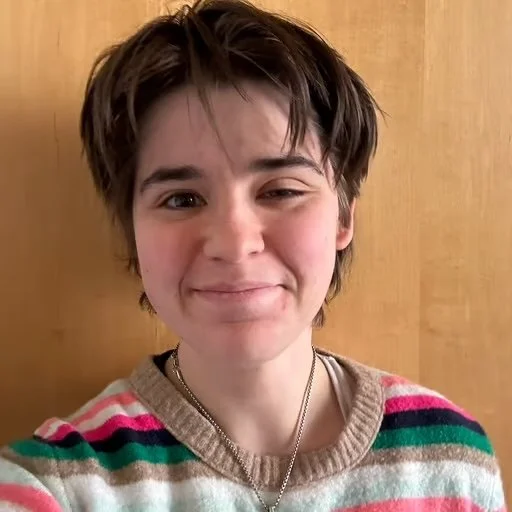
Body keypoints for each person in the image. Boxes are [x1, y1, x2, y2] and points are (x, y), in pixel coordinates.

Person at [0, 0, 507, 510]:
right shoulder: (57, 485)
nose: (234, 243)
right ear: (131, 232)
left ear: (343, 218)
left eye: (281, 191)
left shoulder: (451, 462)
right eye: (181, 199)